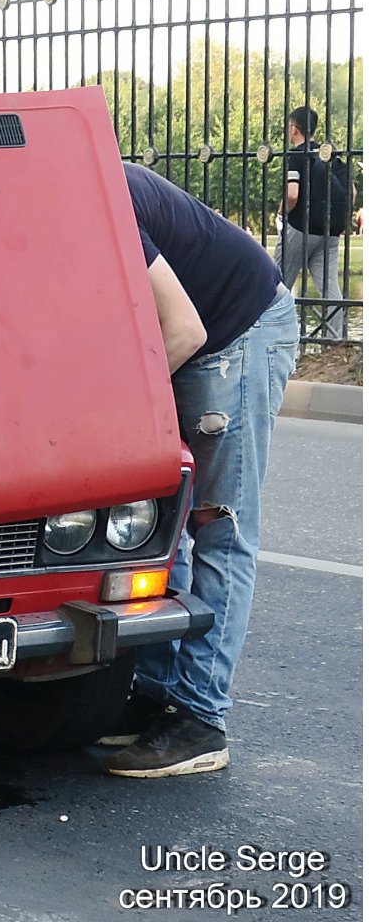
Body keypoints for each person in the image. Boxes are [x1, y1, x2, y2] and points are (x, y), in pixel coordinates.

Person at [99, 162, 299, 778]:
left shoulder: (100, 199)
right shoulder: (60, 193)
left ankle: (199, 720)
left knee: (218, 529)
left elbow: (183, 327)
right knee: (165, 525)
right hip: (197, 338)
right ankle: (155, 694)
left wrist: (120, 412)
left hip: (238, 334)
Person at [278, 106, 354, 340]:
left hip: (301, 227)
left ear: (295, 128)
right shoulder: (331, 156)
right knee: (329, 287)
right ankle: (334, 340)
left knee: (279, 282)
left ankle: (278, 337)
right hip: (330, 231)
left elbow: (292, 194)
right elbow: (351, 191)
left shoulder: (297, 156)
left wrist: (281, 214)